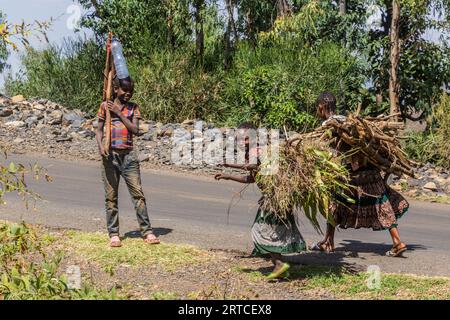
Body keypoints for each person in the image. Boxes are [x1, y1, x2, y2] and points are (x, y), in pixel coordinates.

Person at [310, 92, 409, 257]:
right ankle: (397, 241)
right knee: (381, 203)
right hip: (369, 169)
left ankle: (329, 242)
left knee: (334, 203)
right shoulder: (347, 120)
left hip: (352, 172)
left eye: (317, 107)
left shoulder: (329, 124)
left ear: (322, 106)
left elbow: (332, 150)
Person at [214, 123, 306, 279]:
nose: (242, 142)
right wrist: (227, 175)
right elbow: (252, 177)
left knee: (261, 231)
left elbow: (253, 165)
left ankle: (279, 265)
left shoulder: (261, 150)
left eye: (245, 139)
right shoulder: (256, 151)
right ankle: (281, 268)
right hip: (275, 199)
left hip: (275, 199)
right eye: (239, 139)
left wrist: (229, 164)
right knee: (272, 231)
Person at [96, 76, 160, 247]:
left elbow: (135, 129)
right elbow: (99, 129)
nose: (128, 94)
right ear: (115, 89)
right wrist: (101, 146)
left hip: (129, 156)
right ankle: (114, 233)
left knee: (138, 194)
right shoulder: (105, 106)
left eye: (131, 91)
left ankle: (147, 231)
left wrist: (118, 112)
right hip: (110, 156)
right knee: (111, 196)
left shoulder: (133, 108)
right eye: (124, 90)